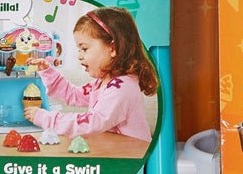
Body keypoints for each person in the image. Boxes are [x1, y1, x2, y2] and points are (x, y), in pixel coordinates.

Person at [24, 7, 157, 142]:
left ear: (113, 48)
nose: (79, 56)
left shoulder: (122, 87)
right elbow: (74, 95)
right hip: (116, 150)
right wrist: (47, 71)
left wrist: (48, 119)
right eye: (79, 50)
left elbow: (92, 122)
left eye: (84, 49)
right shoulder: (104, 82)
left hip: (132, 153)